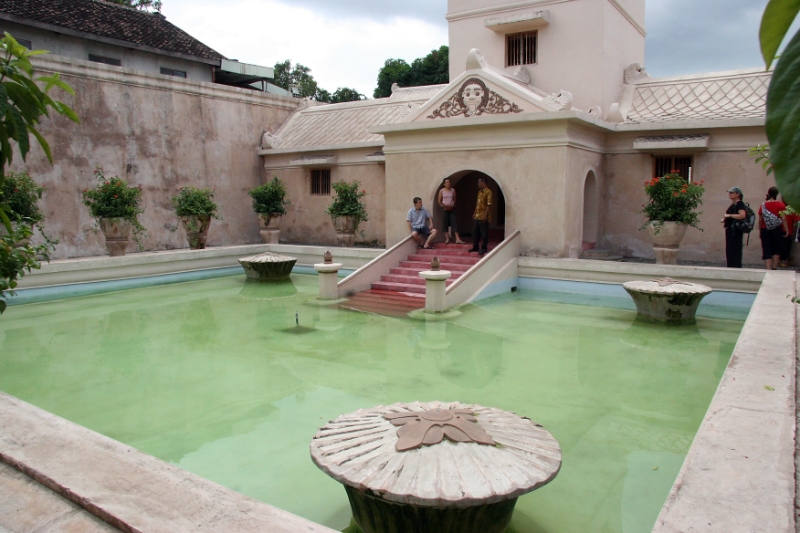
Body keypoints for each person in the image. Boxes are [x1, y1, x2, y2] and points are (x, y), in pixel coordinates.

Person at [758, 186, 787, 270]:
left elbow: (760, 220)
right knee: (776, 248)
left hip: (765, 229)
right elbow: (784, 219)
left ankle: (768, 268)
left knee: (766, 248)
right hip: (777, 229)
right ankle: (774, 267)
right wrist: (786, 229)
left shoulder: (763, 205)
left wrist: (760, 231)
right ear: (777, 194)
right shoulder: (781, 205)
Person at [722, 187, 747, 268]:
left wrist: (730, 215)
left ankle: (735, 267)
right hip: (730, 229)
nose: (730, 194)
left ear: (737, 194)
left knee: (734, 250)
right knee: (730, 250)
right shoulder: (733, 204)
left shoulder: (740, 204)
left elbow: (742, 215)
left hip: (735, 231)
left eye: (732, 193)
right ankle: (730, 265)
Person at [469, 177, 492, 255]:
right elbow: (478, 203)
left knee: (484, 233)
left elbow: (489, 205)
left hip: (483, 217)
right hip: (477, 216)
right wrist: (474, 212)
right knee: (475, 232)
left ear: (483, 182)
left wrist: (485, 215)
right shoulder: (479, 192)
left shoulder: (488, 192)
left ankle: (484, 248)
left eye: (479, 182)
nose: (478, 184)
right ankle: (475, 246)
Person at [438, 178, 465, 245]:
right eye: (446, 182)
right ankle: (447, 238)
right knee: (445, 223)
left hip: (452, 209)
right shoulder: (441, 191)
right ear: (444, 184)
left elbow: (454, 199)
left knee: (454, 222)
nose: (448, 184)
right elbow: (439, 200)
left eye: (449, 182)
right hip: (444, 209)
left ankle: (457, 238)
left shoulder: (453, 190)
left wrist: (452, 205)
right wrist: (443, 206)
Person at [779, 194, 797, 267]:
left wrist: (794, 231)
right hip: (781, 229)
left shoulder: (791, 208)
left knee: (786, 246)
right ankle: (787, 258)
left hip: (789, 230)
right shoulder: (781, 207)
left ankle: (786, 259)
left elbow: (795, 221)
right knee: (782, 246)